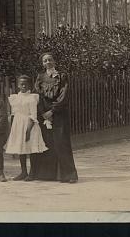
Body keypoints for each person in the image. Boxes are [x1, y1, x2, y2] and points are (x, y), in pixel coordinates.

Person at [33, 53, 78, 183]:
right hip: (44, 115)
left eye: (50, 60)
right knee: (47, 143)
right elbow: (38, 95)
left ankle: (68, 175)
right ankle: (48, 174)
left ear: (54, 61)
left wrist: (52, 111)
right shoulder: (40, 77)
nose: (47, 62)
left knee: (61, 142)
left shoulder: (62, 76)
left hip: (58, 113)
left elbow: (64, 95)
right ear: (42, 64)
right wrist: (43, 113)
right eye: (45, 61)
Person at [5, 75, 48, 181]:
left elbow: (33, 115)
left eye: (25, 84)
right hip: (18, 124)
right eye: (21, 84)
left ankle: (32, 173)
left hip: (30, 125)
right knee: (21, 149)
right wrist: (13, 128)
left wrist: (28, 131)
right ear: (18, 85)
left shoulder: (32, 98)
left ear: (30, 85)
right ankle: (23, 172)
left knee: (31, 149)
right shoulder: (15, 97)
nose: (23, 86)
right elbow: (14, 113)